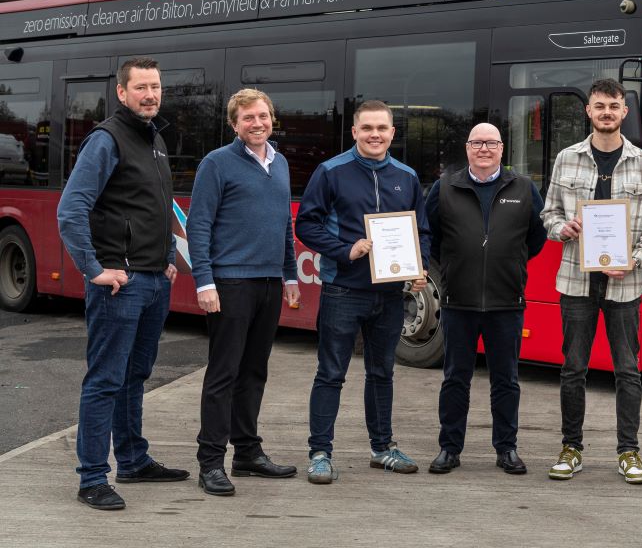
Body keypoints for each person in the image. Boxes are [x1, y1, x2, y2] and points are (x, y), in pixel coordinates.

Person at [57, 57, 189, 511]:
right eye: (141, 88)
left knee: (135, 374)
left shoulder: (154, 140)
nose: (150, 95)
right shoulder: (106, 139)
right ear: (121, 92)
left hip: (153, 280)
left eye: (156, 86)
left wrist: (169, 257)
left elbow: (160, 207)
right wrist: (94, 269)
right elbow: (70, 210)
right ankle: (92, 477)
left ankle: (132, 459)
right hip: (120, 283)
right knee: (105, 379)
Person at [540, 78, 642, 484]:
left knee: (628, 370)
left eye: (613, 106)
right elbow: (548, 216)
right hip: (576, 283)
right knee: (572, 369)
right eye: (600, 106)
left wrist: (635, 258)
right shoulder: (567, 158)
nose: (607, 113)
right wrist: (564, 229)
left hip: (626, 285)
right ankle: (571, 447)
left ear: (624, 112)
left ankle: (629, 451)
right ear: (588, 111)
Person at [295, 99, 430, 484]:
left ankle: (382, 448)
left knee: (382, 372)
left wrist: (419, 266)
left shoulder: (406, 175)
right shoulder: (331, 172)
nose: (375, 135)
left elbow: (421, 231)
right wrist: (345, 250)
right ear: (354, 132)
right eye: (366, 128)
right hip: (343, 288)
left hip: (389, 294)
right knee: (331, 373)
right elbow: (307, 224)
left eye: (382, 128)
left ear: (392, 133)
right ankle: (320, 452)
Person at [186, 89, 301, 496]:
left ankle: (248, 453)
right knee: (224, 372)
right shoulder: (216, 164)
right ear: (235, 124)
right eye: (248, 118)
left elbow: (284, 226)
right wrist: (204, 281)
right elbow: (198, 226)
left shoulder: (280, 163)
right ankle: (211, 462)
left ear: (273, 119)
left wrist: (290, 277)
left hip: (270, 283)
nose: (258, 123)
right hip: (230, 284)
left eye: (263, 116)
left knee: (254, 372)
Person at [424, 123, 547, 476]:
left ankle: (506, 449)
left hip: (506, 301)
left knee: (506, 380)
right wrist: (454, 264)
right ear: (467, 148)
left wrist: (510, 262)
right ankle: (449, 448)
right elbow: (431, 237)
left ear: (502, 148)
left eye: (490, 143)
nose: (484, 149)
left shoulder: (523, 188)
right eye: (477, 142)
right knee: (455, 379)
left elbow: (535, 238)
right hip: (457, 302)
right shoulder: (445, 188)